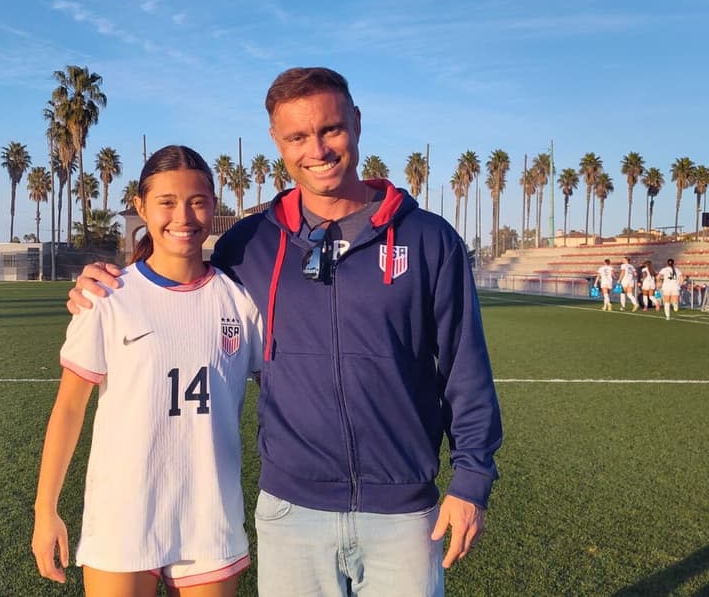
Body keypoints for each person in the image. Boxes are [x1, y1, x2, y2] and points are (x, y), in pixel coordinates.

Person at [68, 67, 503, 597]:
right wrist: (106, 282)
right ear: (277, 142)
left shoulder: (430, 239)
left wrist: (471, 481)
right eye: (297, 136)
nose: (316, 149)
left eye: (331, 130)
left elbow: (465, 368)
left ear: (357, 124)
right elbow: (178, 279)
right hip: (291, 513)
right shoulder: (251, 244)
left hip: (403, 512)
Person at [32, 145, 263, 596]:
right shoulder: (107, 297)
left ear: (214, 206)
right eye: (167, 202)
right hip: (124, 519)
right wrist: (46, 510)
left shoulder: (240, 301)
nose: (184, 216)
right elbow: (68, 410)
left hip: (209, 520)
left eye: (197, 201)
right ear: (140, 207)